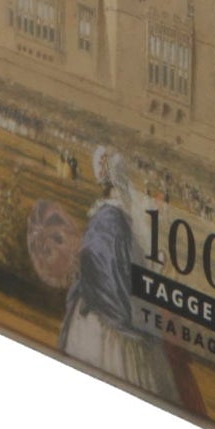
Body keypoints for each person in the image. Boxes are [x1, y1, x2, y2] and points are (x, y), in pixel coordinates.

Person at [59, 150, 183, 407]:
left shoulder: (109, 218)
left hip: (107, 309)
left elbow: (117, 266)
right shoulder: (114, 218)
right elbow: (111, 267)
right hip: (110, 310)